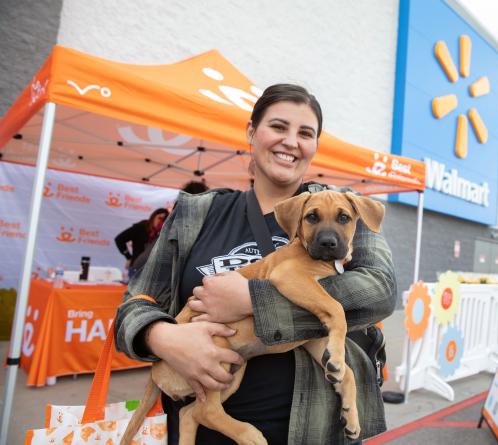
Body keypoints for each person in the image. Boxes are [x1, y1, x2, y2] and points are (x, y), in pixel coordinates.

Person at [114, 83, 397, 445]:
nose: (291, 141)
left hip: (314, 432)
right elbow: (133, 305)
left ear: (314, 146)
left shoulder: (343, 208)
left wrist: (253, 299)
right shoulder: (196, 213)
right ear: (251, 132)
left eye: (305, 133)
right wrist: (163, 338)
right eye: (278, 127)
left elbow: (380, 290)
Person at [114, 207, 169, 279]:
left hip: (153, 271)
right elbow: (119, 239)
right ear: (153, 217)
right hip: (137, 269)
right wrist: (128, 257)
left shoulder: (164, 233)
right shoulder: (140, 227)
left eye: (164, 220)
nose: (160, 221)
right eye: (159, 218)